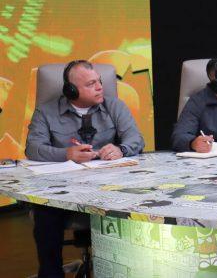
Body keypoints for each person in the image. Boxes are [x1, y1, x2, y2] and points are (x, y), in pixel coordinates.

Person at [25, 60, 145, 278]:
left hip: (109, 187)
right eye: (91, 84)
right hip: (63, 189)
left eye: (99, 81)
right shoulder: (46, 112)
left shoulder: (115, 106)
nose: (100, 87)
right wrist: (66, 154)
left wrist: (120, 149)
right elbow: (33, 148)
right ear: (71, 90)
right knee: (45, 211)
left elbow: (135, 139)